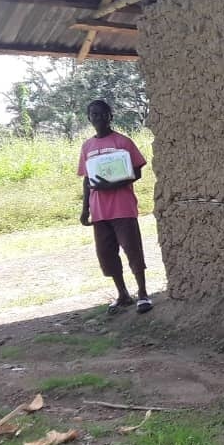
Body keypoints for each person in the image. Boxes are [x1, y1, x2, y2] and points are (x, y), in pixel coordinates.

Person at [78, 99, 153, 314]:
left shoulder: (123, 142)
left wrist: (114, 184)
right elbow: (86, 179)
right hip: (99, 210)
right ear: (89, 118)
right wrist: (85, 208)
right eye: (93, 114)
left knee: (132, 249)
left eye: (103, 114)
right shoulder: (87, 147)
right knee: (106, 253)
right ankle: (122, 294)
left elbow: (137, 171)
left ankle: (143, 294)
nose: (98, 118)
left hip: (122, 206)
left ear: (111, 116)